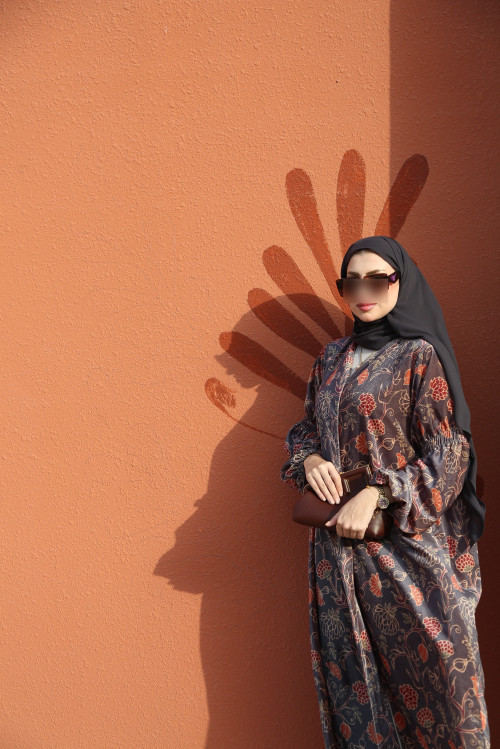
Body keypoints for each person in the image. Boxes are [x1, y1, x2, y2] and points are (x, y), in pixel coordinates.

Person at [280, 236, 489, 748]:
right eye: (351, 282)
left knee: (439, 686)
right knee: (357, 689)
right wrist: (307, 459)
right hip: (338, 554)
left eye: (377, 279)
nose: (363, 292)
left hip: (405, 550)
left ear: (401, 281)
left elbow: (450, 452)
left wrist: (378, 491)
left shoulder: (419, 356)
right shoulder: (331, 358)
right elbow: (308, 426)